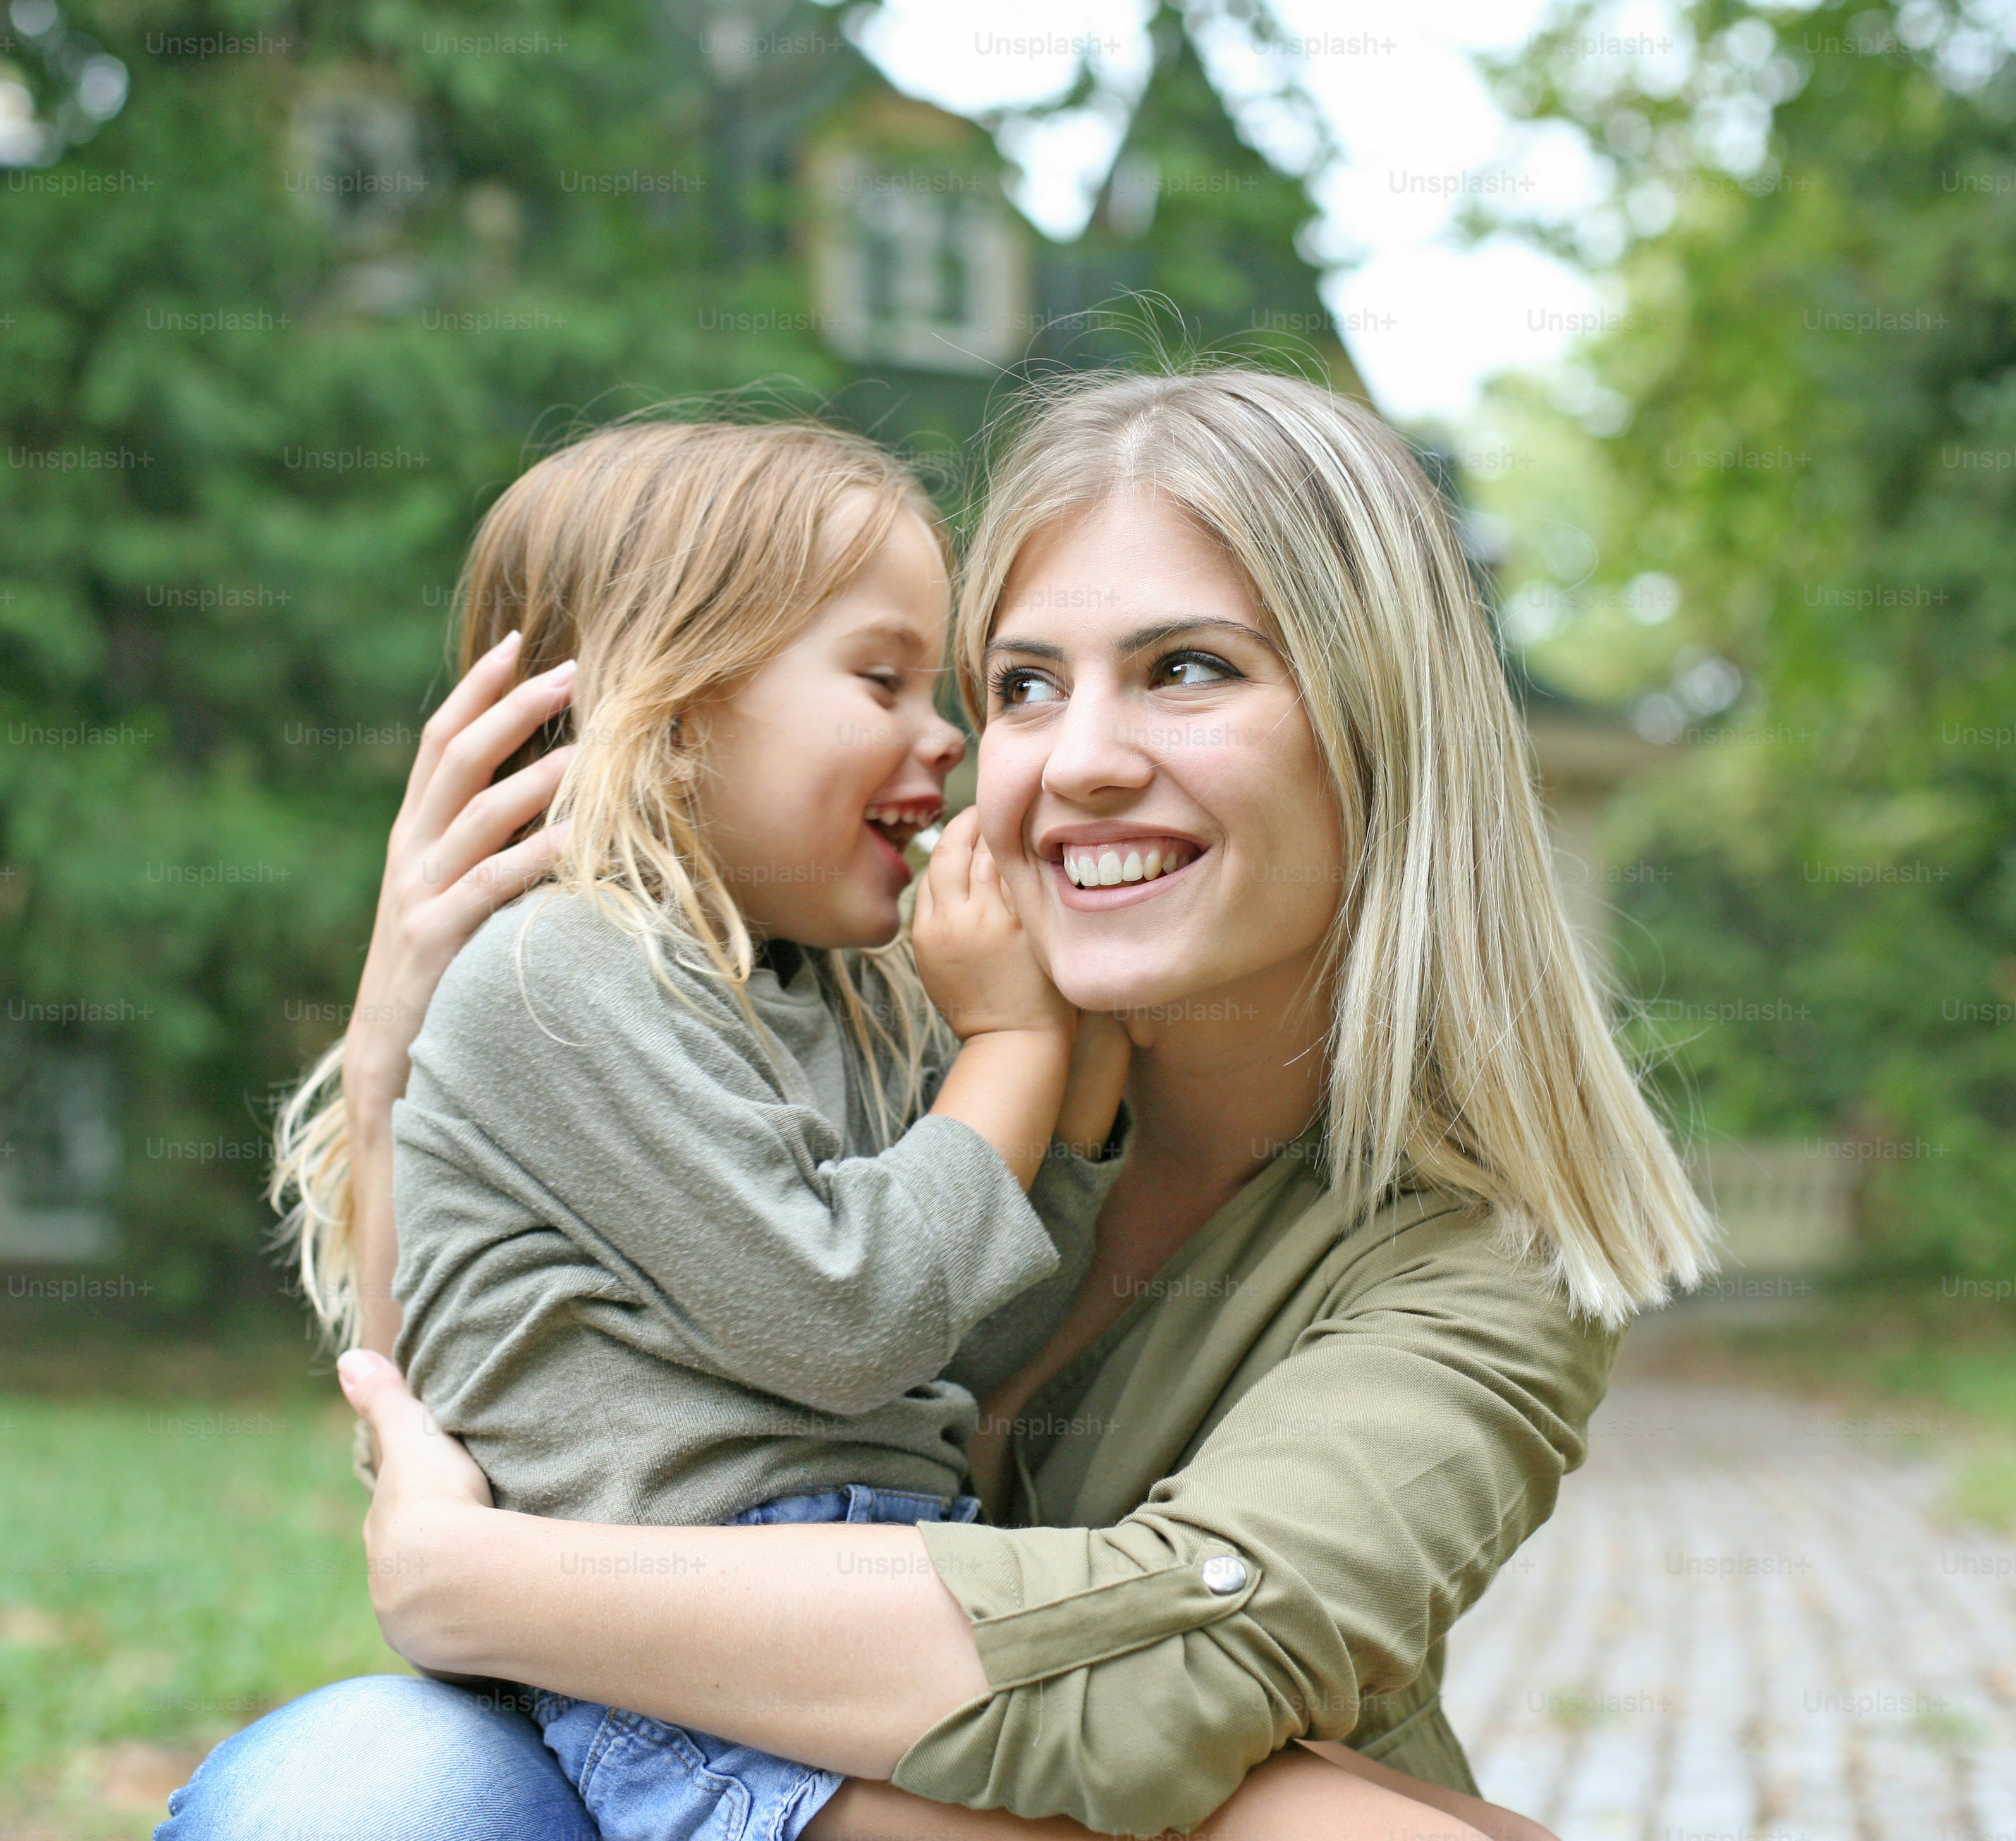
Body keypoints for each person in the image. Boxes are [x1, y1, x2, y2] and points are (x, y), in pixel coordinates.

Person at [163, 369, 1713, 1841]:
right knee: (366, 1787)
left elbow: (1172, 1683)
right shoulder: (892, 996)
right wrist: (390, 1060)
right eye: (1026, 684)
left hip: (1032, 1769)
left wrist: (478, 1584)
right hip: (685, 1743)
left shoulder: (1477, 1256)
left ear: (1384, 729)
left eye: (1188, 669)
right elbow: (486, 1411)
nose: (1072, 760)